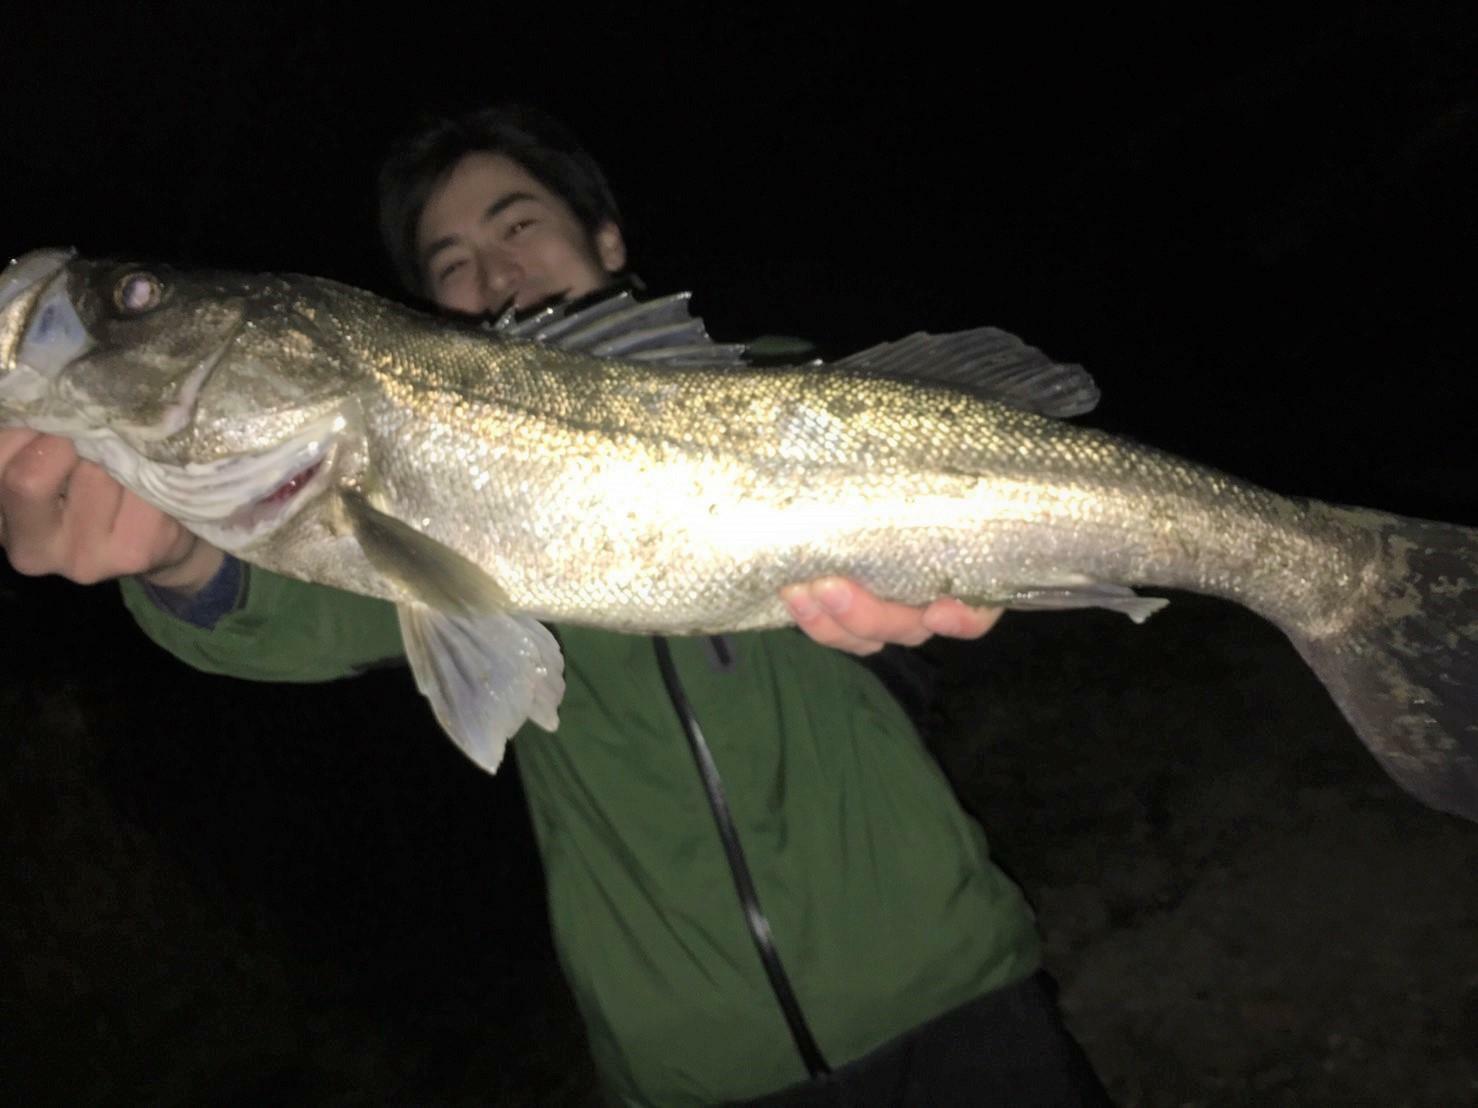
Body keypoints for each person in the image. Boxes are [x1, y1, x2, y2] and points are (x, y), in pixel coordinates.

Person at [0, 106, 1108, 1105]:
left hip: (952, 986)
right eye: (452, 262)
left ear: (608, 237)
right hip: (693, 1066)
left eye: (516, 223)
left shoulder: (788, 384)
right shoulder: (413, 485)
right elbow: (296, 614)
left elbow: (970, 493)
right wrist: (180, 561)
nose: (492, 273)